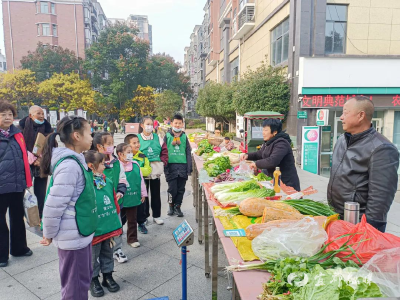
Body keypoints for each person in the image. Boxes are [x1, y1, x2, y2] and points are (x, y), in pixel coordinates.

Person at [40, 116, 96, 300]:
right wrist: (48, 233)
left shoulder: (77, 159)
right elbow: (53, 205)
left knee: (81, 281)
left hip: (79, 234)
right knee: (75, 288)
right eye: (89, 133)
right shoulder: (70, 166)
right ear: (77, 136)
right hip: (72, 238)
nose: (92, 136)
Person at [328, 96, 399, 232]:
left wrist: (369, 230)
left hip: (360, 223)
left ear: (361, 116)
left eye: (345, 112)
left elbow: (380, 198)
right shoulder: (342, 140)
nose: (341, 117)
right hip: (338, 217)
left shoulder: (381, 148)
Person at [84, 151, 122, 297]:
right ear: (91, 167)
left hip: (108, 225)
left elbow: (113, 200)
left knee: (108, 252)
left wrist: (116, 220)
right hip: (95, 228)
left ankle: (108, 275)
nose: (105, 165)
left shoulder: (107, 180)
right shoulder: (85, 183)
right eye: (101, 163)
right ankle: (93, 279)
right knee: (92, 256)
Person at [0, 101, 33, 268]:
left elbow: (24, 159)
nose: (7, 117)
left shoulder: (17, 134)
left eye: (10, 114)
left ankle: (19, 248)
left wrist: (27, 180)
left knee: (17, 217)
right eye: (3, 114)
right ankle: (1, 255)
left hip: (17, 184)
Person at [92, 132, 128, 263]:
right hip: (100, 205)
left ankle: (117, 249)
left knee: (117, 225)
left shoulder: (116, 162)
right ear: (99, 147)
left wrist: (121, 191)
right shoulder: (92, 163)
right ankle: (100, 253)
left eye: (112, 143)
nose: (112, 146)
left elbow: (122, 179)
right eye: (109, 144)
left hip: (116, 202)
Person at [240, 119, 300, 192]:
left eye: (265, 130)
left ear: (274, 132)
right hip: (275, 181)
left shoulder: (281, 143)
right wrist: (247, 155)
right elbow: (260, 154)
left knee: (288, 202)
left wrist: (256, 164)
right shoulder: (269, 142)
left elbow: (273, 161)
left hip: (286, 183)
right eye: (263, 130)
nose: (263, 133)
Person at [19, 105, 53, 219]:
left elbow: (52, 147)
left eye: (42, 113)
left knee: (41, 192)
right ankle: (23, 214)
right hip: (25, 165)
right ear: (30, 115)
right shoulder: (21, 128)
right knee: (23, 190)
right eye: (38, 113)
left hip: (41, 165)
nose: (41, 116)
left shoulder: (48, 129)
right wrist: (27, 156)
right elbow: (18, 146)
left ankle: (41, 214)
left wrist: (41, 159)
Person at [137, 117, 169, 232]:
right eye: (147, 124)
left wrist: (163, 161)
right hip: (142, 171)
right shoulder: (137, 139)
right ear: (142, 125)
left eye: (151, 124)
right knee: (143, 195)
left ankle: (156, 215)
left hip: (155, 170)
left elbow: (164, 151)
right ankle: (144, 216)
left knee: (155, 194)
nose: (149, 126)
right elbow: (134, 152)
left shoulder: (158, 138)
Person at [116, 143, 147, 248]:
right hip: (120, 199)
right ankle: (116, 238)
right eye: (128, 152)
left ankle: (132, 238)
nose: (131, 154)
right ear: (120, 154)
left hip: (133, 197)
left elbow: (141, 180)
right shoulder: (115, 166)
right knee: (119, 220)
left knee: (132, 220)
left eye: (131, 152)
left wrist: (143, 193)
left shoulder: (135, 164)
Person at [164, 114, 192, 217]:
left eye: (179, 123)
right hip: (171, 167)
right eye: (176, 123)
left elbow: (188, 152)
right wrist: (165, 166)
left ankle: (178, 207)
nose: (177, 125)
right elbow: (163, 152)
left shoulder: (184, 136)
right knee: (172, 189)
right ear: (172, 124)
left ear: (182, 124)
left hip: (182, 167)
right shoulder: (167, 136)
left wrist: (189, 168)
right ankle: (171, 206)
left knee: (181, 189)